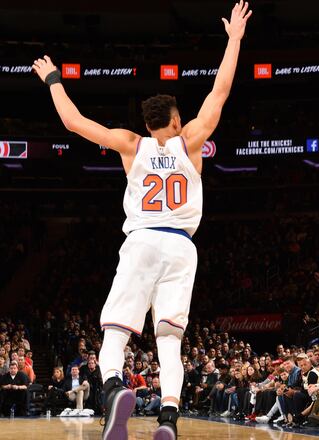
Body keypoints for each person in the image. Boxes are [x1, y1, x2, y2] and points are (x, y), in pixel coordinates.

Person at [31, 2, 252, 439]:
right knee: (169, 341)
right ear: (174, 119)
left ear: (149, 125)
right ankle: (168, 418)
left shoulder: (132, 144)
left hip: (143, 241)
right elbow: (221, 90)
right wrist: (234, 39)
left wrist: (53, 80)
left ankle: (114, 388)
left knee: (115, 331)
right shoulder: (191, 141)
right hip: (182, 247)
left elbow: (74, 122)